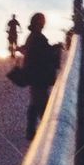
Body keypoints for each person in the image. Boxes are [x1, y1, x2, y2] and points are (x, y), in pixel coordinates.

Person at [20, 12, 60, 140]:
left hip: (34, 75)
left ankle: (31, 131)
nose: (44, 24)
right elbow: (43, 55)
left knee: (35, 103)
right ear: (39, 23)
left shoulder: (33, 36)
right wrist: (54, 49)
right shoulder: (37, 37)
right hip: (38, 76)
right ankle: (46, 134)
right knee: (42, 105)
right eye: (42, 21)